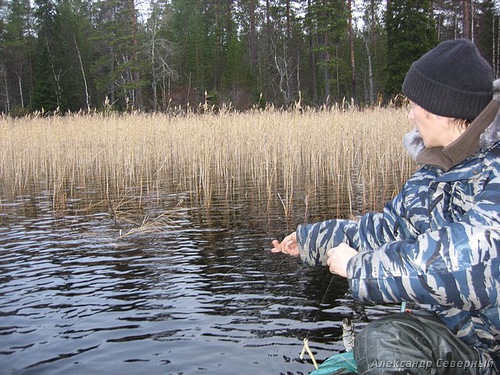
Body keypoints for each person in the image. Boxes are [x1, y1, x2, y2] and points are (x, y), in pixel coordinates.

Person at [271, 38, 500, 374]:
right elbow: (387, 229)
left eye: (414, 104)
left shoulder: (493, 175)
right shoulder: (431, 176)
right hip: (453, 335)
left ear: (442, 109)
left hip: (488, 352)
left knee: (383, 343)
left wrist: (359, 268)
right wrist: (310, 240)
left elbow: (467, 262)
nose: (410, 114)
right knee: (380, 342)